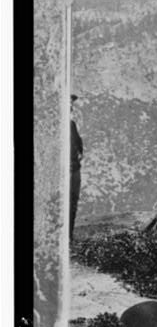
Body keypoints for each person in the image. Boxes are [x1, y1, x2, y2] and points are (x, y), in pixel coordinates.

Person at [69, 94, 83, 240]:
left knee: (72, 203)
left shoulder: (71, 125)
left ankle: (69, 237)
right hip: (63, 172)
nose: (70, 106)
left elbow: (79, 147)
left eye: (71, 103)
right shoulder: (54, 126)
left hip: (74, 170)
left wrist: (79, 153)